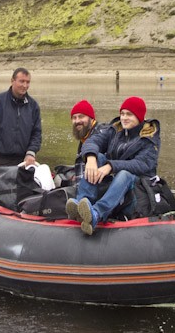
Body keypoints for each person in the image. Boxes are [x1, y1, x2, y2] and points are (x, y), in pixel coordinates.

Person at [66, 96, 160, 235]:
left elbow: (141, 164)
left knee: (124, 174)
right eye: (122, 114)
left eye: (129, 114)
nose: (124, 118)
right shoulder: (115, 130)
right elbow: (94, 140)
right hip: (115, 184)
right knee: (98, 156)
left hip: (138, 188)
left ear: (139, 116)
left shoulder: (149, 139)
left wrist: (111, 166)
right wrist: (91, 158)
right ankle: (82, 205)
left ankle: (97, 213)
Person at [0, 67, 42, 201]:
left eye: (28, 82)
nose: (25, 85)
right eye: (21, 81)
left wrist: (31, 152)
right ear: (12, 81)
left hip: (21, 161)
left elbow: (37, 133)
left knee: (18, 200)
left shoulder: (33, 106)